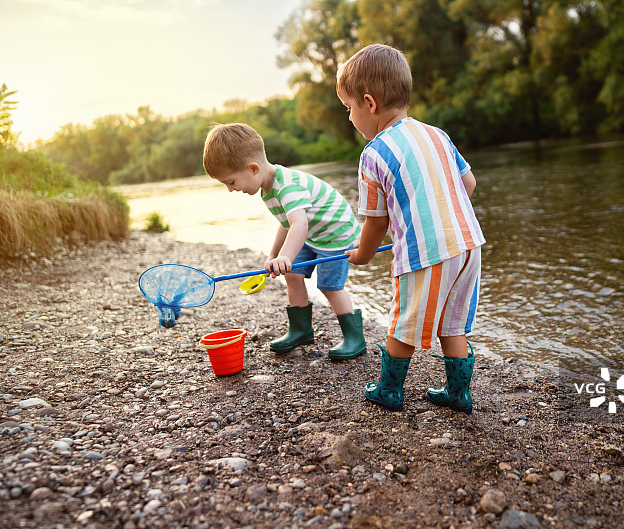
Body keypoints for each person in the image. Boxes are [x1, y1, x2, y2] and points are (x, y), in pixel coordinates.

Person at [336, 44, 485, 413]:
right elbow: (468, 185)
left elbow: (376, 220)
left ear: (369, 103)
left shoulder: (374, 154)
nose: (349, 118)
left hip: (426, 252)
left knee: (403, 323)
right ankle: (459, 393)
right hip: (469, 245)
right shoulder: (437, 134)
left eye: (348, 108)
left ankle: (389, 390)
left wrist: (363, 254)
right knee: (453, 324)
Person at [202, 123, 366, 360]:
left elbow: (299, 224)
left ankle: (355, 338)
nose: (230, 189)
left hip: (334, 234)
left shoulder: (287, 185)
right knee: (292, 275)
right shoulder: (266, 188)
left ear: (253, 168)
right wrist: (274, 255)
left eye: (231, 182)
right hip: (310, 233)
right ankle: (301, 330)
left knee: (330, 285)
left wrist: (286, 256)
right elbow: (287, 223)